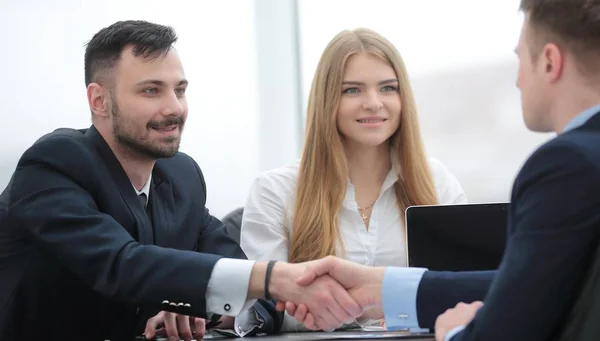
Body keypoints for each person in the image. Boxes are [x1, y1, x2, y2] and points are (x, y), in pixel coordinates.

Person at [0, 20, 363, 340]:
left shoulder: (181, 174)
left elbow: (231, 267)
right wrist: (274, 277)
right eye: (151, 90)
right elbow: (121, 264)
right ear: (99, 100)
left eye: (180, 89)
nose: (174, 107)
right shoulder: (54, 163)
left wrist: (201, 305)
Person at [280, 1, 600, 340]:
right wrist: (381, 287)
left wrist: (455, 331)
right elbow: (532, 280)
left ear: (549, 61)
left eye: (520, 59)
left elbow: (512, 318)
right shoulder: (581, 161)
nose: (518, 81)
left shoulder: (568, 164)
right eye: (353, 89)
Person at [240, 27, 467, 331]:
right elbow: (261, 310)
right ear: (327, 99)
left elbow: (462, 292)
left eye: (388, 88)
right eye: (352, 90)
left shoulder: (437, 181)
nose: (374, 102)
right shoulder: (274, 191)